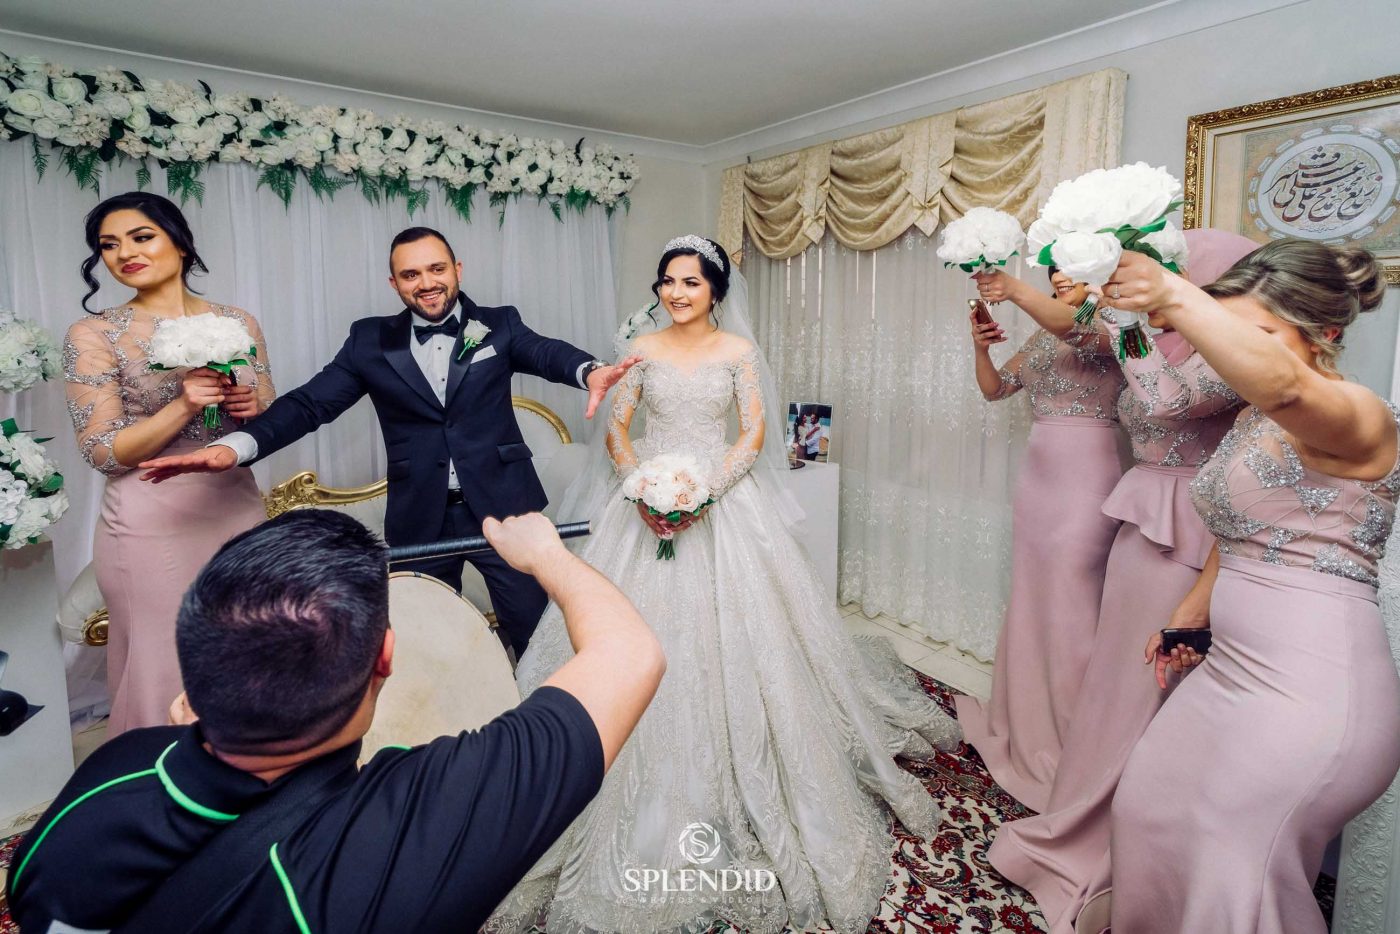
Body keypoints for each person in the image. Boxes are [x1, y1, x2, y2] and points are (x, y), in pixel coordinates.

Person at [484, 236, 960, 934]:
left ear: (715, 291)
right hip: (642, 504)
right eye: (667, 281)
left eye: (691, 282)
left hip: (723, 503)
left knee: (752, 641)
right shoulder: (641, 350)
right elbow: (619, 429)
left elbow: (752, 432)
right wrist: (639, 485)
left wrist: (705, 490)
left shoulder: (738, 352)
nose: (676, 293)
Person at [5, 509, 666, 932]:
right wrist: (546, 555)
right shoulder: (415, 821)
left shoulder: (113, 769)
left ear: (198, 676)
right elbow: (630, 655)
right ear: (386, 656)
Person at [138, 226, 638, 657]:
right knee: (427, 640)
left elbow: (544, 353)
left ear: (457, 269)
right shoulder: (369, 341)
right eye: (410, 274)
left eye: (436, 269)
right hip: (420, 516)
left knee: (534, 630)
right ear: (394, 283)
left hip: (507, 508)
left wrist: (588, 370)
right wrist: (237, 447)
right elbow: (311, 404)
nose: (427, 283)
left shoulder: (499, 324)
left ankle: (540, 724)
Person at [1104, 241, 1400, 934]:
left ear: (1326, 333)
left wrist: (1174, 295)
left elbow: (1288, 387)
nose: (1227, 352)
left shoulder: (1362, 415)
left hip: (1314, 694)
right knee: (1146, 807)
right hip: (1232, 670)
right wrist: (1191, 614)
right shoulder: (1250, 418)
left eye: (1255, 333)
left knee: (1232, 873)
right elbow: (1244, 526)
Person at [978, 229, 1259, 932]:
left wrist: (1104, 308)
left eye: (1165, 276)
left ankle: (1122, 830)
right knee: (1113, 669)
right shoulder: (1157, 343)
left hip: (1182, 523)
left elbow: (1160, 401)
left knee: (1139, 679)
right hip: (1134, 513)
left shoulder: (1227, 354)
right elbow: (1004, 384)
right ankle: (1076, 791)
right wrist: (981, 339)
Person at [62, 191, 275, 736]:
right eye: (109, 245)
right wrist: (184, 403)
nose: (124, 253)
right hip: (150, 519)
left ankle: (251, 775)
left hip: (234, 507)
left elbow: (268, 417)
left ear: (179, 242)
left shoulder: (238, 321)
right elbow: (102, 451)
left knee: (250, 647)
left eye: (141, 237)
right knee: (165, 663)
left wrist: (251, 408)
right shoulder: (93, 334)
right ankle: (161, 779)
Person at [956, 265, 1125, 811]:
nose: (1060, 278)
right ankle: (1023, 718)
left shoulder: (1114, 321)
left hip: (1087, 473)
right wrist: (980, 347)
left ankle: (1077, 738)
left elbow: (1076, 328)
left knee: (1075, 603)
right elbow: (996, 390)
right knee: (1033, 597)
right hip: (1039, 480)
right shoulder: (1042, 331)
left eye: (1070, 269)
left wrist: (1016, 291)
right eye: (1054, 273)